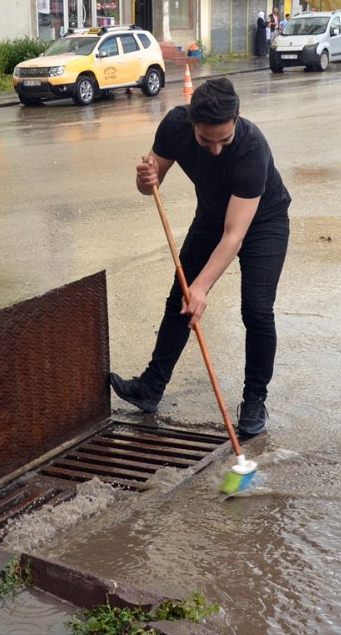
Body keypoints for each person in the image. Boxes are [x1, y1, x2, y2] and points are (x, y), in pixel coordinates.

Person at [109, 78, 291, 439]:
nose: (216, 149)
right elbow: (150, 185)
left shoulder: (252, 149)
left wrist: (203, 288)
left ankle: (254, 399)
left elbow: (234, 235)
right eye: (206, 141)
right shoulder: (175, 126)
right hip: (211, 217)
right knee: (181, 298)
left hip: (262, 223)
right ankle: (151, 387)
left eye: (223, 140)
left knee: (255, 309)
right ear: (192, 123)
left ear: (237, 118)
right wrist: (145, 179)